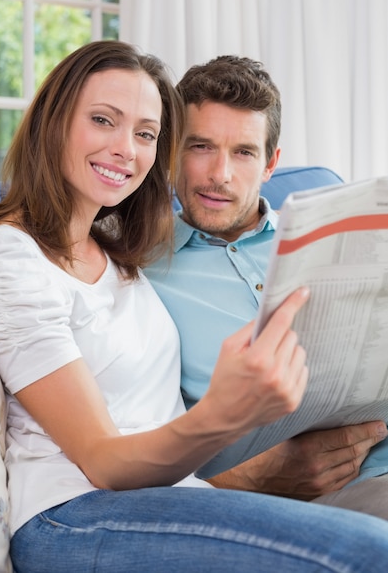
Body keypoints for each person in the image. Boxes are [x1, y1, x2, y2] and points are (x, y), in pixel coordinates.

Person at [0, 41, 388, 573]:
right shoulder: (6, 249)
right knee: (367, 551)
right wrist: (224, 414)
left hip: (172, 495)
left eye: (145, 133)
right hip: (73, 509)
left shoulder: (120, 248)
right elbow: (100, 459)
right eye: (104, 120)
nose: (126, 149)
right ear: (53, 122)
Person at [145, 54, 388, 520]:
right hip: (309, 503)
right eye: (201, 147)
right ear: (172, 150)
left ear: (271, 163)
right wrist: (234, 476)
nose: (221, 174)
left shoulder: (338, 240)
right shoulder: (137, 270)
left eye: (243, 152)